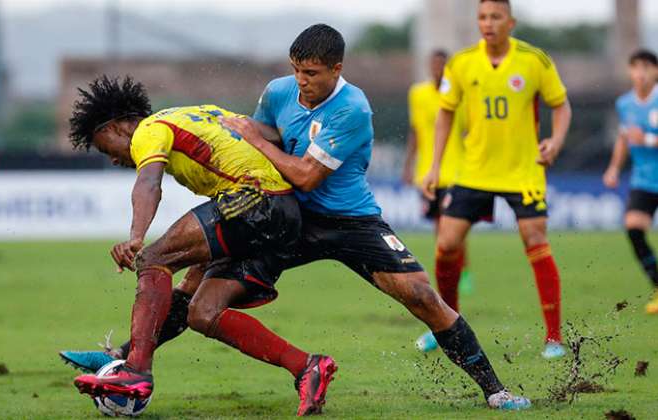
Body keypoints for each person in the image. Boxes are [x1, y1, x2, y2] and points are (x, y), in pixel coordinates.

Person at [63, 24, 531, 411]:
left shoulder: (353, 109)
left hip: (348, 220)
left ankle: (495, 390)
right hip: (283, 219)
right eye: (297, 70)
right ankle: (123, 360)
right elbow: (255, 136)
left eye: (311, 73)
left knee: (422, 297)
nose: (302, 80)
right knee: (197, 300)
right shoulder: (279, 92)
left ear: (336, 70)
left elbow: (305, 174)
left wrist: (256, 143)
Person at [66, 75, 339, 416]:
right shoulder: (197, 112)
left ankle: (135, 371)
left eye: (106, 147)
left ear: (120, 126)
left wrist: (136, 237)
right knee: (200, 309)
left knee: (154, 259)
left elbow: (149, 183)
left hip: (255, 200)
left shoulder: (149, 129)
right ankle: (307, 366)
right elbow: (268, 133)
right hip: (282, 214)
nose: (115, 159)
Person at [421, 0, 573, 359]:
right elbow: (445, 114)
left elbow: (561, 105)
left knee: (535, 238)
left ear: (511, 22)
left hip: (523, 171)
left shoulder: (534, 61)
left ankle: (553, 338)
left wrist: (556, 142)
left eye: (495, 17)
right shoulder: (461, 63)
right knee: (446, 244)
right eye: (483, 17)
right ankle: (446, 325)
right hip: (475, 170)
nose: (487, 23)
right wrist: (434, 166)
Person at [403, 49, 472, 352]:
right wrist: (409, 164)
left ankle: (462, 274)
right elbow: (417, 131)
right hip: (427, 173)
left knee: (450, 230)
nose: (438, 69)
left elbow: (469, 131)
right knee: (439, 231)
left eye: (443, 65)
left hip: (456, 171)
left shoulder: (460, 94)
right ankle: (445, 312)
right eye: (433, 64)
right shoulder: (417, 94)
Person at [603, 49, 658, 314]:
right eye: (636, 67)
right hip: (644, 179)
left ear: (655, 71)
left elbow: (638, 137)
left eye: (646, 67)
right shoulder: (624, 104)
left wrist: (646, 139)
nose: (641, 73)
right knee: (634, 228)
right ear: (629, 71)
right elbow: (624, 138)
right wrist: (614, 168)